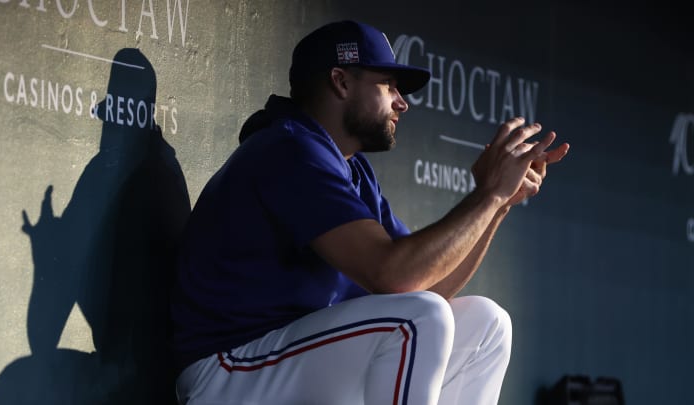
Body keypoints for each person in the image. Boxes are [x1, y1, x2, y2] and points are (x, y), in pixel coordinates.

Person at [170, 20, 569, 405]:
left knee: (486, 322)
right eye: (388, 84)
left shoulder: (351, 167)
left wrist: (497, 204)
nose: (402, 102)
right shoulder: (288, 150)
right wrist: (487, 195)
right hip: (227, 372)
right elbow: (393, 276)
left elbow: (426, 286)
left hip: (288, 358)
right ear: (341, 81)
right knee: (415, 320)